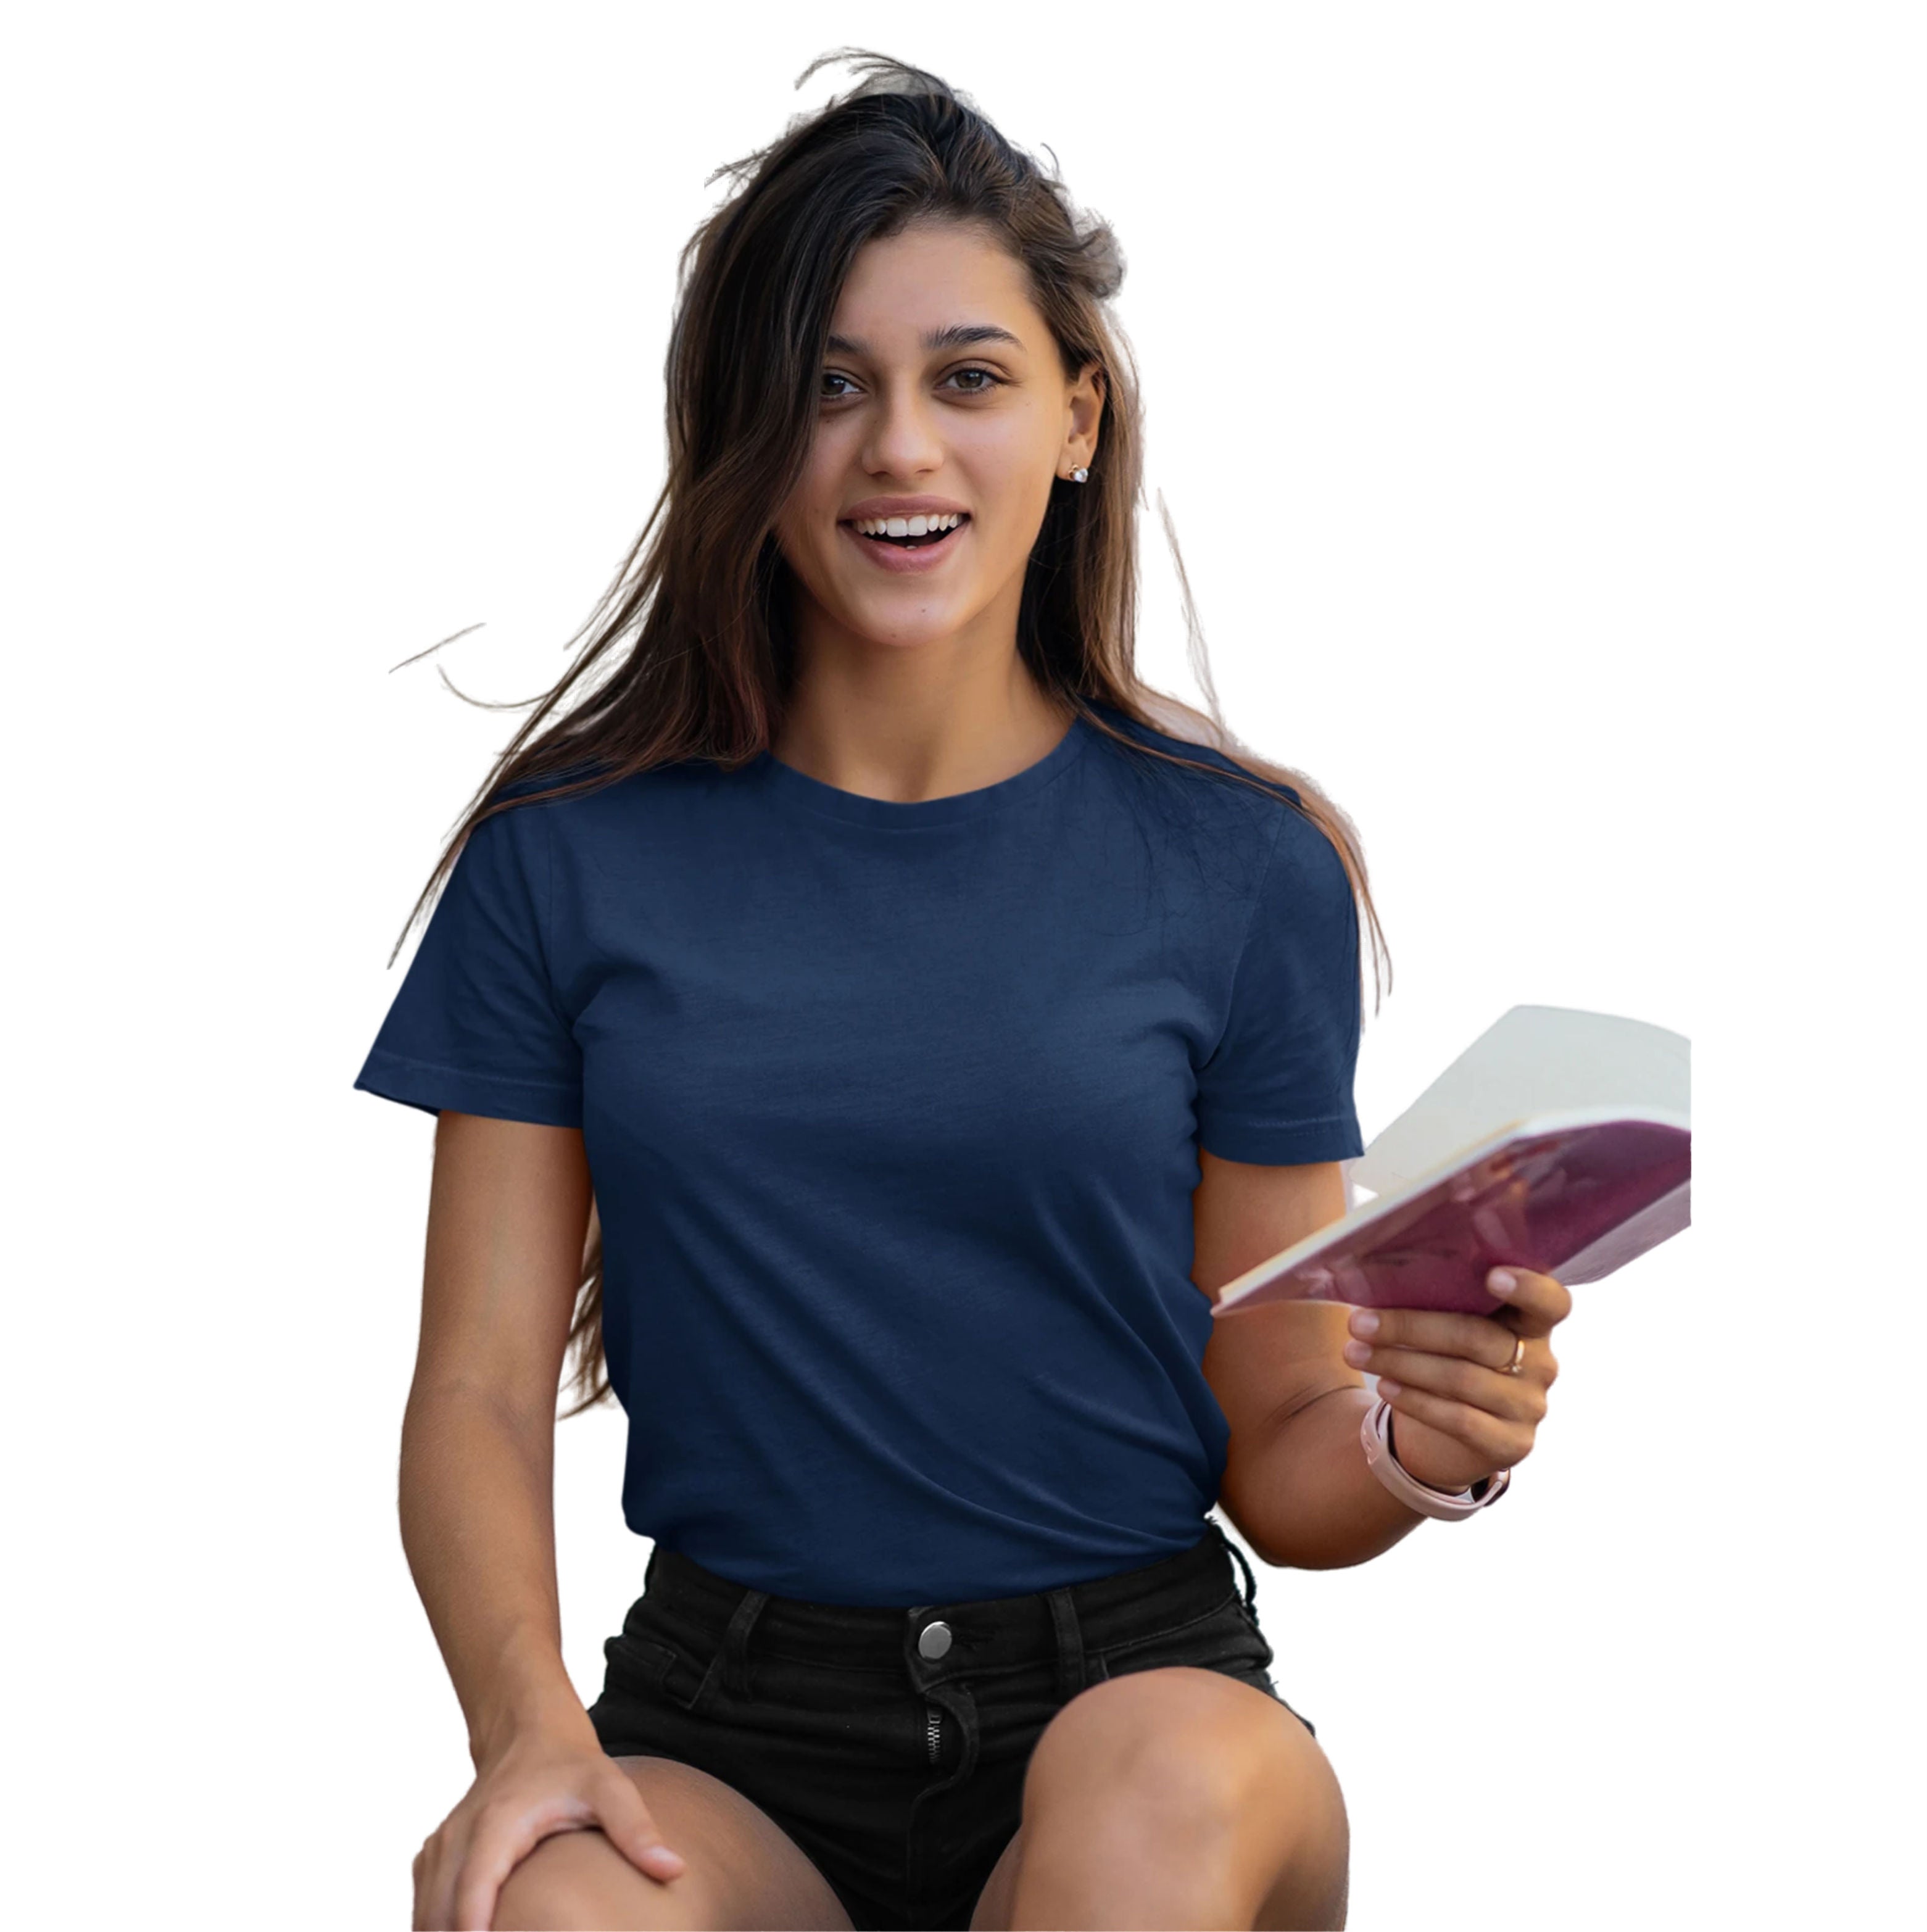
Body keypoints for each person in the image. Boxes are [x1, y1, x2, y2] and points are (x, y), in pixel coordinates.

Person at [355, 51, 1573, 1932]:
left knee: (1154, 1794)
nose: (898, 447)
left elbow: (1280, 1448)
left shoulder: (1238, 867)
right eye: (828, 387)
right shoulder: (569, 852)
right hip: (725, 1722)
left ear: (1076, 418)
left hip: (1133, 1703)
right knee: (554, 1901)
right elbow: (479, 1388)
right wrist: (525, 1732)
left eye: (967, 379)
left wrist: (1419, 1439)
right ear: (742, 438)